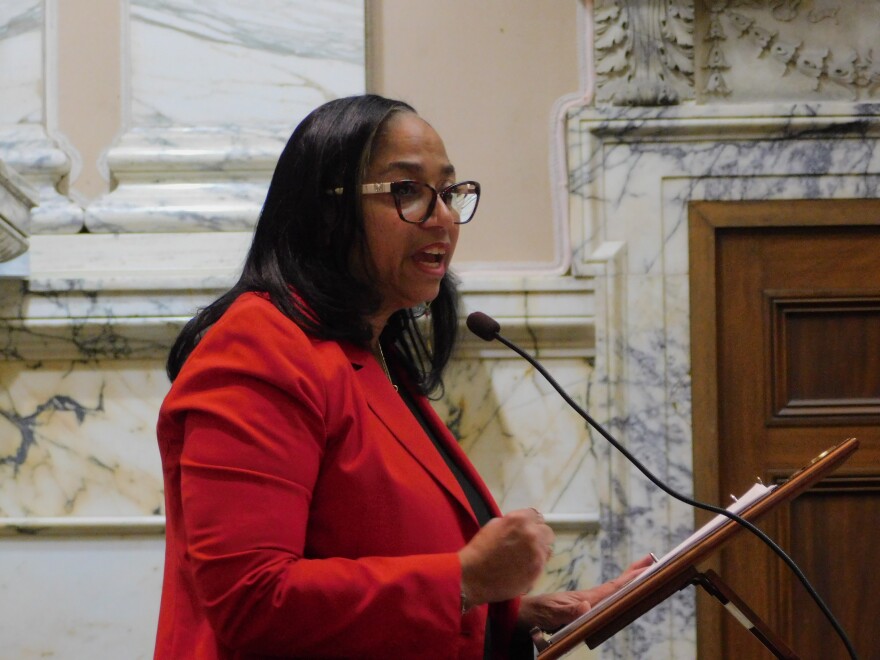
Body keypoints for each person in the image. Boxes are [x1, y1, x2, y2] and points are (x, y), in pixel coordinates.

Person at [154, 94, 649, 659]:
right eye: (407, 191)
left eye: (450, 192)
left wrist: (513, 615)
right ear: (327, 209)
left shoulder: (368, 355)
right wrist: (466, 580)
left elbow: (379, 571)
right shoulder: (259, 352)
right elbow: (253, 601)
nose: (441, 217)